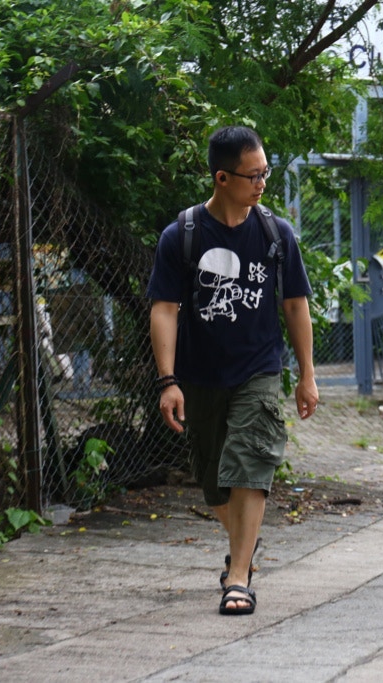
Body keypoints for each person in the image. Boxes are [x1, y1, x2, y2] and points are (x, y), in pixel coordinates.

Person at [147, 126, 319, 615]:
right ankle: (245, 544)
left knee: (251, 462)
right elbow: (164, 308)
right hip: (199, 376)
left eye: (266, 171)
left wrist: (307, 374)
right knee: (212, 481)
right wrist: (168, 380)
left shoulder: (275, 234)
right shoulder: (183, 235)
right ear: (222, 178)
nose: (263, 182)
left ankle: (238, 576)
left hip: (258, 370)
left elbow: (294, 306)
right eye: (253, 175)